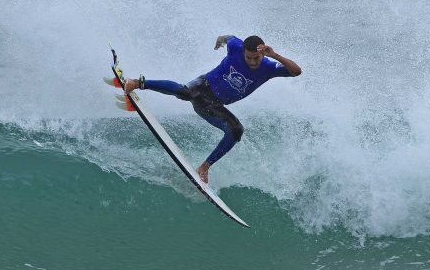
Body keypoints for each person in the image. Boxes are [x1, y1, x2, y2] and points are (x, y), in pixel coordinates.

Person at [124, 35, 302, 183]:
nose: (252, 61)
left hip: (213, 105)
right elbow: (227, 38)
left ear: (263, 54)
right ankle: (138, 83)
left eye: (256, 58)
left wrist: (275, 55)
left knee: (236, 131)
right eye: (248, 57)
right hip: (203, 85)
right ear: (243, 52)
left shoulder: (268, 68)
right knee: (185, 92)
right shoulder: (235, 47)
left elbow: (296, 71)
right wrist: (220, 41)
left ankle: (204, 167)